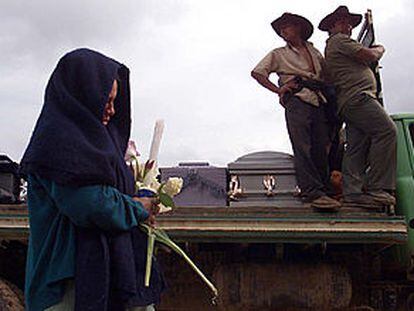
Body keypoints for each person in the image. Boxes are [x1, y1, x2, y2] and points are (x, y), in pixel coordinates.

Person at [20, 48, 165, 310]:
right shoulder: (58, 143)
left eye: (114, 102)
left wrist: (140, 201)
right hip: (65, 286)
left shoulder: (96, 146)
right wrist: (137, 208)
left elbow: (111, 195)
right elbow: (90, 205)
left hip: (98, 277)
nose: (111, 111)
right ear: (81, 95)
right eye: (105, 101)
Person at [251, 13, 341, 210]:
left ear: (298, 28)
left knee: (321, 146)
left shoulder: (315, 51)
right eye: (281, 28)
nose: (283, 31)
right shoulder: (279, 53)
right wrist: (279, 90)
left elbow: (328, 76)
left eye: (287, 27)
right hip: (297, 100)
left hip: (318, 100)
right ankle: (312, 192)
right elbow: (258, 72)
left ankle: (325, 190)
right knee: (303, 146)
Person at [319, 6, 397, 206]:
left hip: (350, 101)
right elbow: (370, 56)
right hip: (358, 98)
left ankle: (353, 193)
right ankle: (377, 187)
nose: (348, 26)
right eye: (342, 22)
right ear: (332, 26)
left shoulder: (334, 44)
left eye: (350, 23)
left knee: (356, 147)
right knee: (387, 131)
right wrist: (380, 49)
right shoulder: (339, 40)